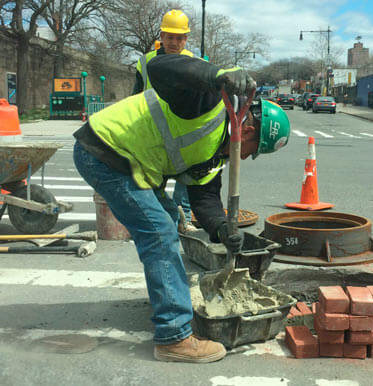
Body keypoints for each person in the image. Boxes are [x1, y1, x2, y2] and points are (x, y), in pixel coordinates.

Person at [73, 54, 291, 363]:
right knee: (160, 234)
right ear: (249, 131)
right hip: (106, 150)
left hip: (131, 163)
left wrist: (219, 228)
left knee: (167, 219)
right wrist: (217, 75)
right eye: (252, 152)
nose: (243, 159)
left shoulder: (215, 156)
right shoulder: (207, 103)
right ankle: (173, 337)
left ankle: (166, 298)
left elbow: (204, 200)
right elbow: (159, 68)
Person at [133, 9, 196, 230]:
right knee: (153, 182)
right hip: (152, 133)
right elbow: (135, 98)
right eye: (170, 36)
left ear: (186, 39)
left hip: (182, 131)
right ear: (161, 36)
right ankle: (166, 217)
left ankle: (183, 219)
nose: (174, 42)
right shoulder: (145, 62)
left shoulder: (193, 62)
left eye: (179, 38)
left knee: (185, 178)